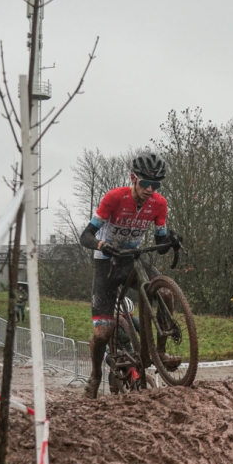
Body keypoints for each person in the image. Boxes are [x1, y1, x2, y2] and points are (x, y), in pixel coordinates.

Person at [79, 152, 182, 399]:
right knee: (103, 332)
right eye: (145, 183)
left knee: (166, 292)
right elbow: (86, 236)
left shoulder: (159, 203)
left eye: (155, 185)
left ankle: (160, 351)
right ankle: (95, 376)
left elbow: (160, 241)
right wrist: (102, 245)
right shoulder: (114, 198)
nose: (149, 189)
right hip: (107, 262)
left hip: (133, 258)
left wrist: (172, 240)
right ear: (133, 178)